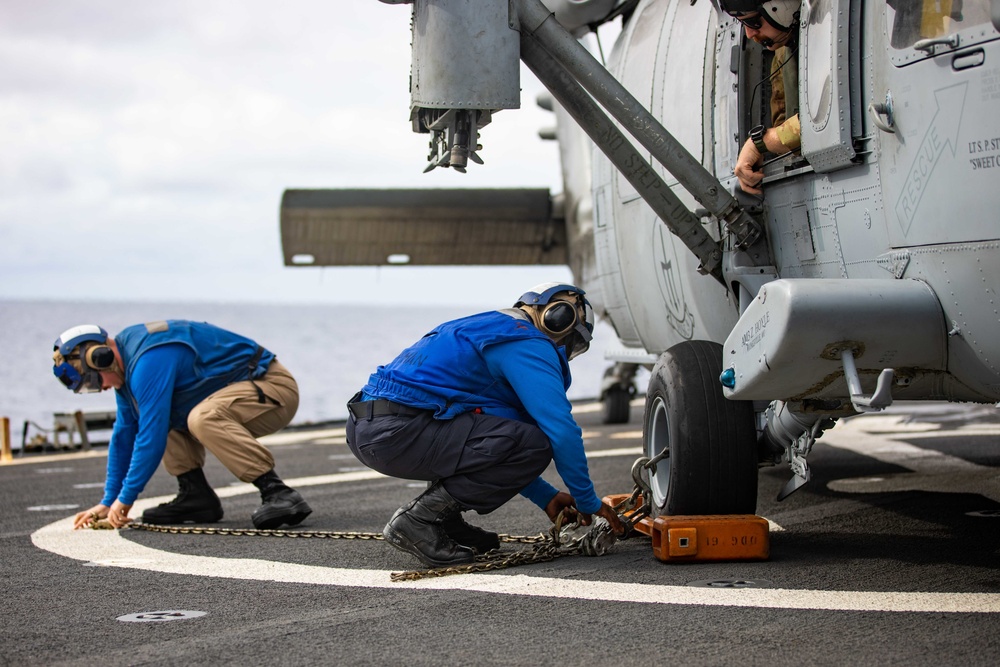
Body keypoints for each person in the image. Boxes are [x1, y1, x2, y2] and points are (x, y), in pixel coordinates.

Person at [345, 282, 625, 568]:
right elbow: (561, 431)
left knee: (485, 432)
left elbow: (492, 444)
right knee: (535, 442)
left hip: (367, 428)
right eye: (570, 340)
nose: (563, 349)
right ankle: (419, 520)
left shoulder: (481, 327)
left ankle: (445, 522)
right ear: (559, 317)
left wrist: (546, 497)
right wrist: (587, 501)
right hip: (397, 432)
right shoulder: (525, 342)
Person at [53, 320, 312, 530]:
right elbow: (124, 436)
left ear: (101, 357)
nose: (100, 389)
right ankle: (195, 496)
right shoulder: (128, 367)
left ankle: (278, 492)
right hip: (240, 394)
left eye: (93, 382)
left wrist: (126, 499)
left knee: (200, 417)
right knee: (159, 414)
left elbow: (150, 437)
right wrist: (108, 502)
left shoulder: (149, 359)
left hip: (273, 388)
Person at [720, 0, 802, 194]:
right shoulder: (783, 55)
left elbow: (825, 124)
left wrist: (760, 143)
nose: (750, 34)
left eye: (753, 22)